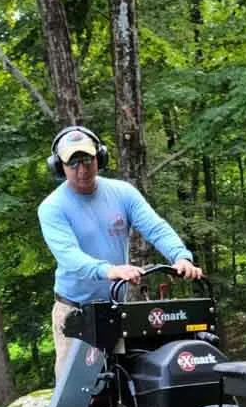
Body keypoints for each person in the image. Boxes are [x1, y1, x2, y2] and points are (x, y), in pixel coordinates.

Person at [38, 125, 203, 377]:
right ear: (59, 166)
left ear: (99, 157)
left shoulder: (122, 192)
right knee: (78, 398)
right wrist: (110, 270)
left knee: (125, 384)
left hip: (116, 308)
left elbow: (155, 228)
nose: (82, 170)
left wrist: (180, 256)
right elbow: (69, 256)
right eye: (73, 164)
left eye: (87, 160)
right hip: (75, 312)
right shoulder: (52, 207)